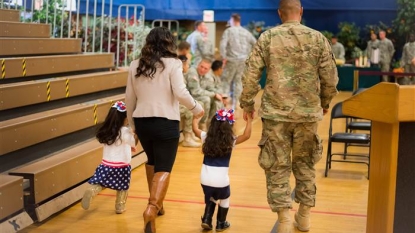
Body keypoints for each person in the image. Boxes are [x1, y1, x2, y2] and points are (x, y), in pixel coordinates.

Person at [239, 0, 339, 232]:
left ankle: (284, 220)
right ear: (301, 12)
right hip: (307, 115)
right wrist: (324, 102)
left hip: (275, 115)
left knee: (277, 166)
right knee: (305, 164)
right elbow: (331, 78)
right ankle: (304, 217)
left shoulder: (268, 37)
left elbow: (251, 73)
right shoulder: (317, 38)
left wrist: (247, 103)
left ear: (279, 13)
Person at [125, 27, 204, 233]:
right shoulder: (174, 63)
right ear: (169, 43)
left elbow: (129, 99)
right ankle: (151, 209)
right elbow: (180, 92)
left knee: (152, 162)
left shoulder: (135, 64)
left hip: (142, 122)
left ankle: (158, 205)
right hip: (165, 122)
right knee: (164, 168)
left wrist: (133, 126)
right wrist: (197, 108)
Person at [192, 108, 252, 232]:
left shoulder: (206, 137)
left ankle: (207, 219)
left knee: (212, 195)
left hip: (204, 179)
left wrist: (195, 119)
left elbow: (195, 130)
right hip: (221, 181)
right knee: (225, 197)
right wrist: (249, 120)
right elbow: (246, 135)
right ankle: (221, 223)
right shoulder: (231, 140)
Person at [81, 101, 138, 214]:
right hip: (122, 165)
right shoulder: (124, 131)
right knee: (122, 186)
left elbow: (117, 144)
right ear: (124, 118)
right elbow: (133, 142)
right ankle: (120, 206)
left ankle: (92, 190)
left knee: (102, 183)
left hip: (106, 164)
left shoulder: (109, 130)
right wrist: (136, 133)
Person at [220, 13, 257, 109]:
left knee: (226, 81)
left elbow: (223, 45)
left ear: (233, 20)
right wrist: (250, 57)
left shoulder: (228, 31)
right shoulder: (246, 32)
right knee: (238, 82)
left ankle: (224, 103)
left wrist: (224, 57)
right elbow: (256, 44)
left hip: (230, 61)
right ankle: (235, 103)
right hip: (243, 61)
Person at [185, 58, 223, 130]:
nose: (202, 70)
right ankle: (203, 124)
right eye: (201, 67)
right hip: (188, 96)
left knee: (217, 100)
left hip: (195, 95)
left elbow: (209, 87)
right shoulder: (193, 73)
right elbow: (195, 91)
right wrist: (214, 94)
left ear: (208, 70)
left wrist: (218, 94)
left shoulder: (205, 75)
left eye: (205, 68)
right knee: (206, 99)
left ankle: (212, 124)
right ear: (198, 65)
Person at [178, 54, 201, 147]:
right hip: (173, 105)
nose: (188, 67)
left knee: (198, 104)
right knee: (190, 110)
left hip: (177, 103)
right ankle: (187, 138)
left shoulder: (180, 74)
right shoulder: (178, 75)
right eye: (187, 64)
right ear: (182, 65)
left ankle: (190, 133)